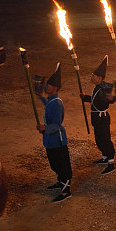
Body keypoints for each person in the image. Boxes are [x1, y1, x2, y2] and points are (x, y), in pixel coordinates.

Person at [38, 63, 72, 202]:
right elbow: (48, 104)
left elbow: (57, 124)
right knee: (54, 163)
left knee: (61, 164)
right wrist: (40, 97)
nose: (47, 87)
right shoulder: (52, 101)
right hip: (50, 140)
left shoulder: (57, 103)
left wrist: (45, 128)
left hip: (57, 140)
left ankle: (66, 191)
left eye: (49, 85)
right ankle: (60, 183)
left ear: (55, 88)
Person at [80, 55, 116, 174]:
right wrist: (86, 98)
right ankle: (105, 157)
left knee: (105, 139)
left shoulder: (104, 89)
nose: (92, 77)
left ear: (100, 78)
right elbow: (95, 100)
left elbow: (110, 99)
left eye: (94, 76)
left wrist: (111, 98)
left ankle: (111, 162)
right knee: (99, 139)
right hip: (97, 118)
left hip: (102, 119)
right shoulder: (97, 88)